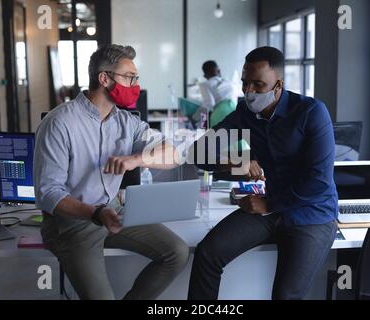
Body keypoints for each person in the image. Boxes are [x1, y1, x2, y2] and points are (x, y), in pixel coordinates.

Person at [34, 44, 189, 300]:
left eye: (136, 78)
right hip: (73, 223)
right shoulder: (59, 122)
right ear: (104, 78)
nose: (135, 85)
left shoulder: (126, 122)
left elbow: (173, 153)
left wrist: (137, 159)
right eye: (129, 77)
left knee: (177, 252)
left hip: (113, 212)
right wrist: (95, 213)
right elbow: (48, 194)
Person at [188, 46, 338, 300]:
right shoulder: (245, 113)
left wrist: (268, 203)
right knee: (207, 254)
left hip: (311, 213)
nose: (249, 91)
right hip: (269, 210)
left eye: (258, 85)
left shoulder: (311, 112)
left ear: (278, 84)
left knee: (285, 295)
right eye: (245, 83)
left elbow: (318, 182)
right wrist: (238, 162)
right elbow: (198, 153)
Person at [193, 61, 238, 128]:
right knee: (237, 136)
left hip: (220, 114)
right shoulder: (229, 83)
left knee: (217, 137)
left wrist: (195, 117)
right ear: (219, 70)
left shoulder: (205, 85)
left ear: (205, 76)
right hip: (235, 112)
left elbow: (209, 104)